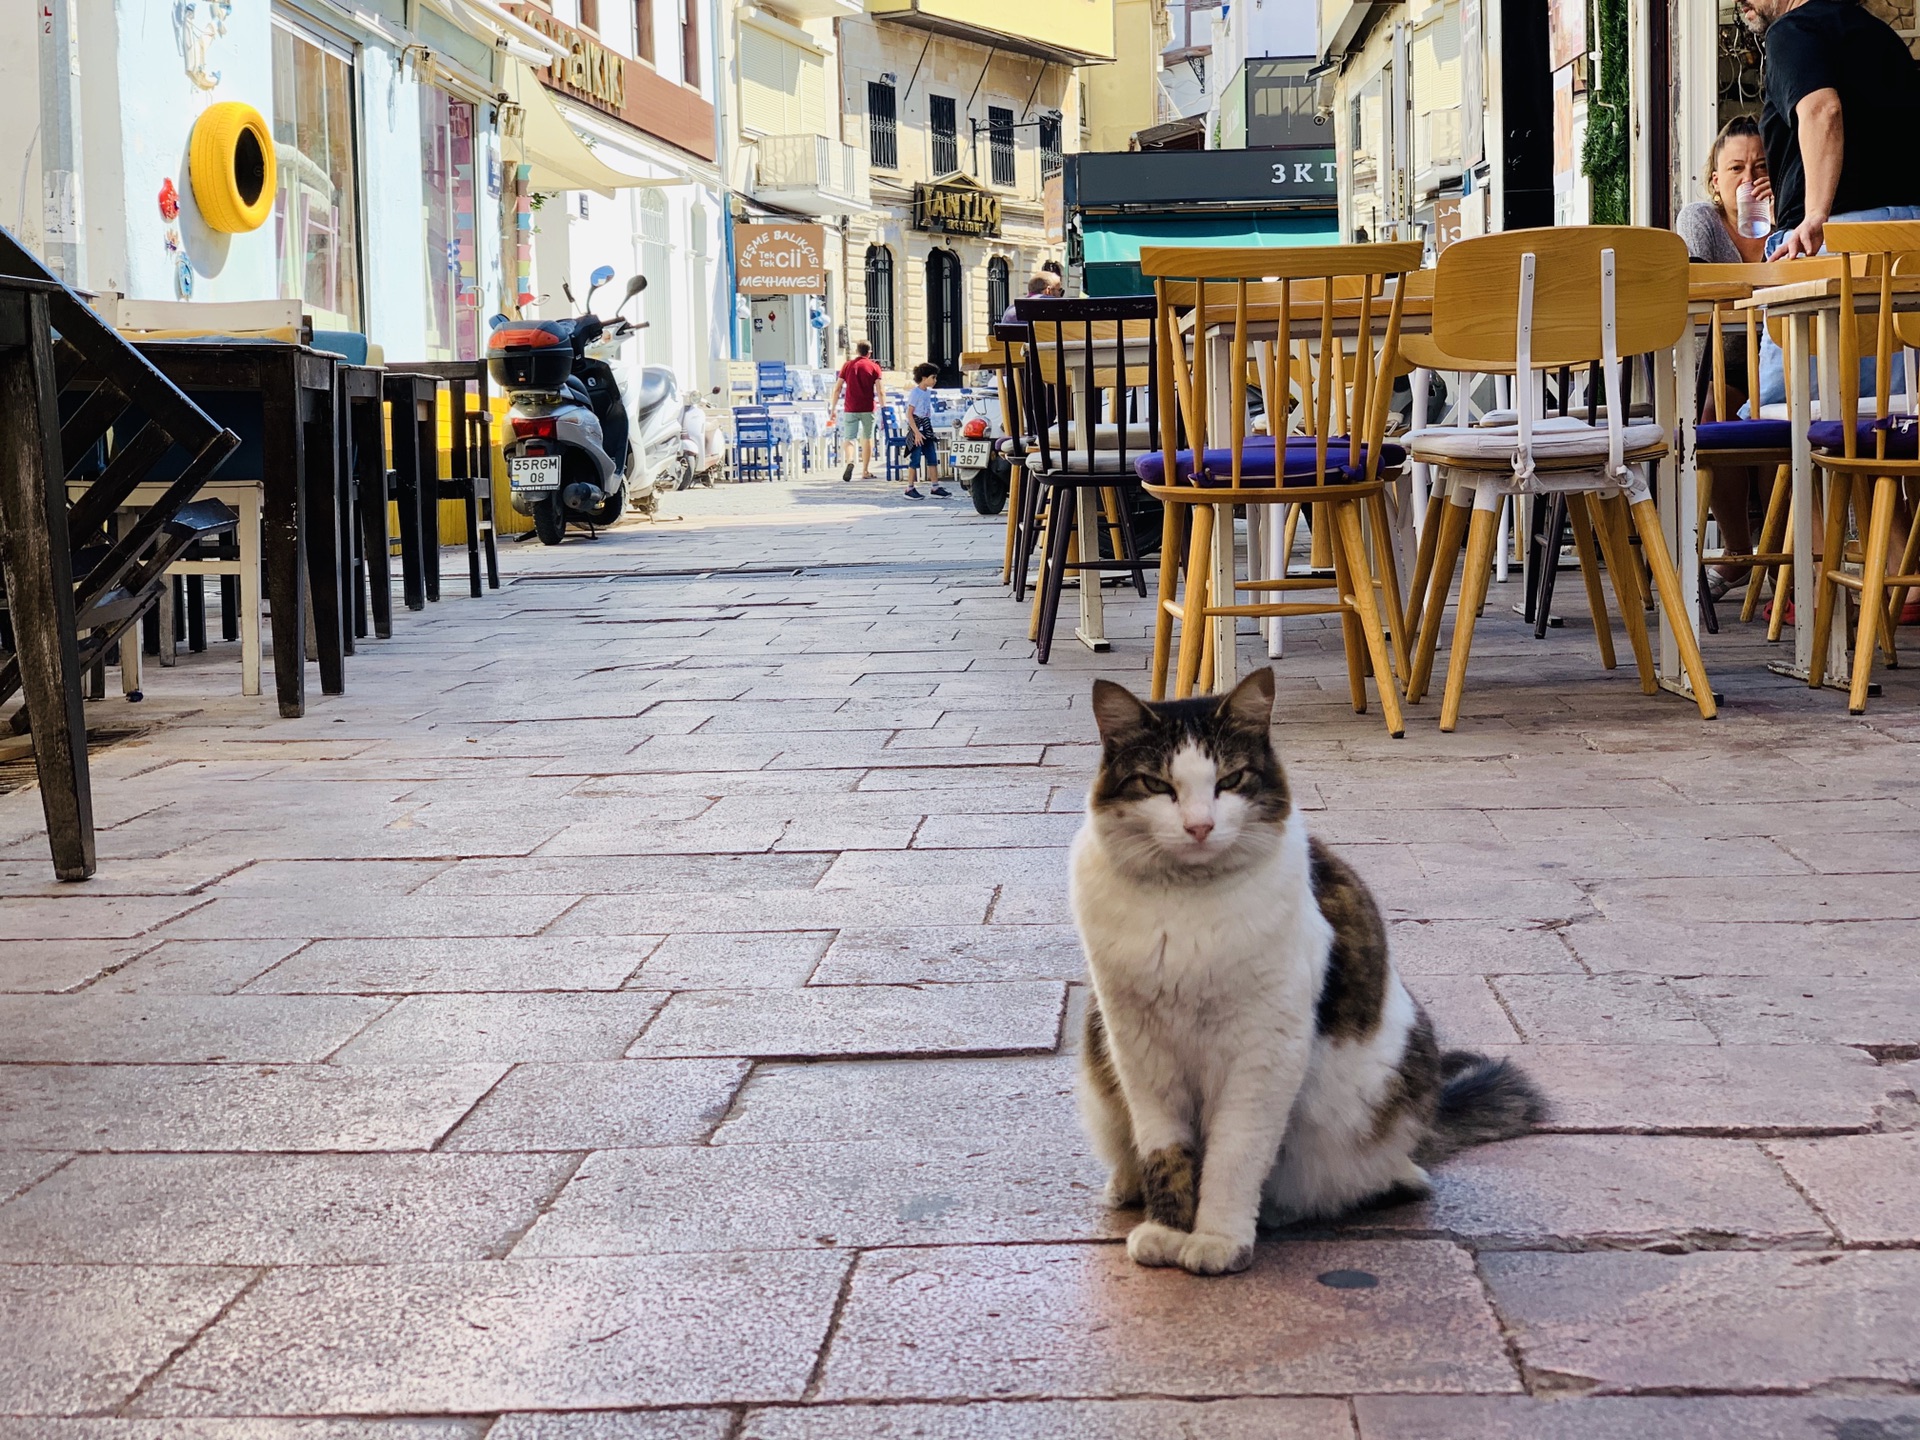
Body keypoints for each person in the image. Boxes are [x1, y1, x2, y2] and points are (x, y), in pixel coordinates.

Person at [1739, 0, 1920, 261]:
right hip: (1909, 235)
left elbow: (1822, 110)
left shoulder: (1790, 30)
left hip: (1841, 240)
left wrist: (1814, 213)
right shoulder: (1879, 34)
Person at [1677, 117, 1771, 598]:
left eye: (1760, 165)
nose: (1749, 178)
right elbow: (1699, 290)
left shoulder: (1791, 218)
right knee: (1716, 410)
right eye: (1736, 168)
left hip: (1782, 357)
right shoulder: (1702, 220)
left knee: (1787, 415)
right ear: (1715, 180)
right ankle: (1738, 553)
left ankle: (1782, 557)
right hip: (1723, 362)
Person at [830, 341, 886, 482]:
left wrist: (833, 408)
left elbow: (837, 388)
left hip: (850, 407)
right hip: (868, 408)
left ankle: (850, 460)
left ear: (857, 351)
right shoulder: (874, 367)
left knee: (849, 438)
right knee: (867, 438)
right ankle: (865, 470)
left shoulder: (847, 365)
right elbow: (880, 390)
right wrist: (884, 408)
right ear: (869, 352)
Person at [902, 362, 951, 500]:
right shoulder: (915, 393)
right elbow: (910, 413)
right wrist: (916, 432)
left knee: (932, 457)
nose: (935, 380)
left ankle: (935, 486)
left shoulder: (927, 393)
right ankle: (909, 487)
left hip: (926, 426)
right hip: (917, 427)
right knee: (915, 458)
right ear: (924, 378)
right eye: (933, 377)